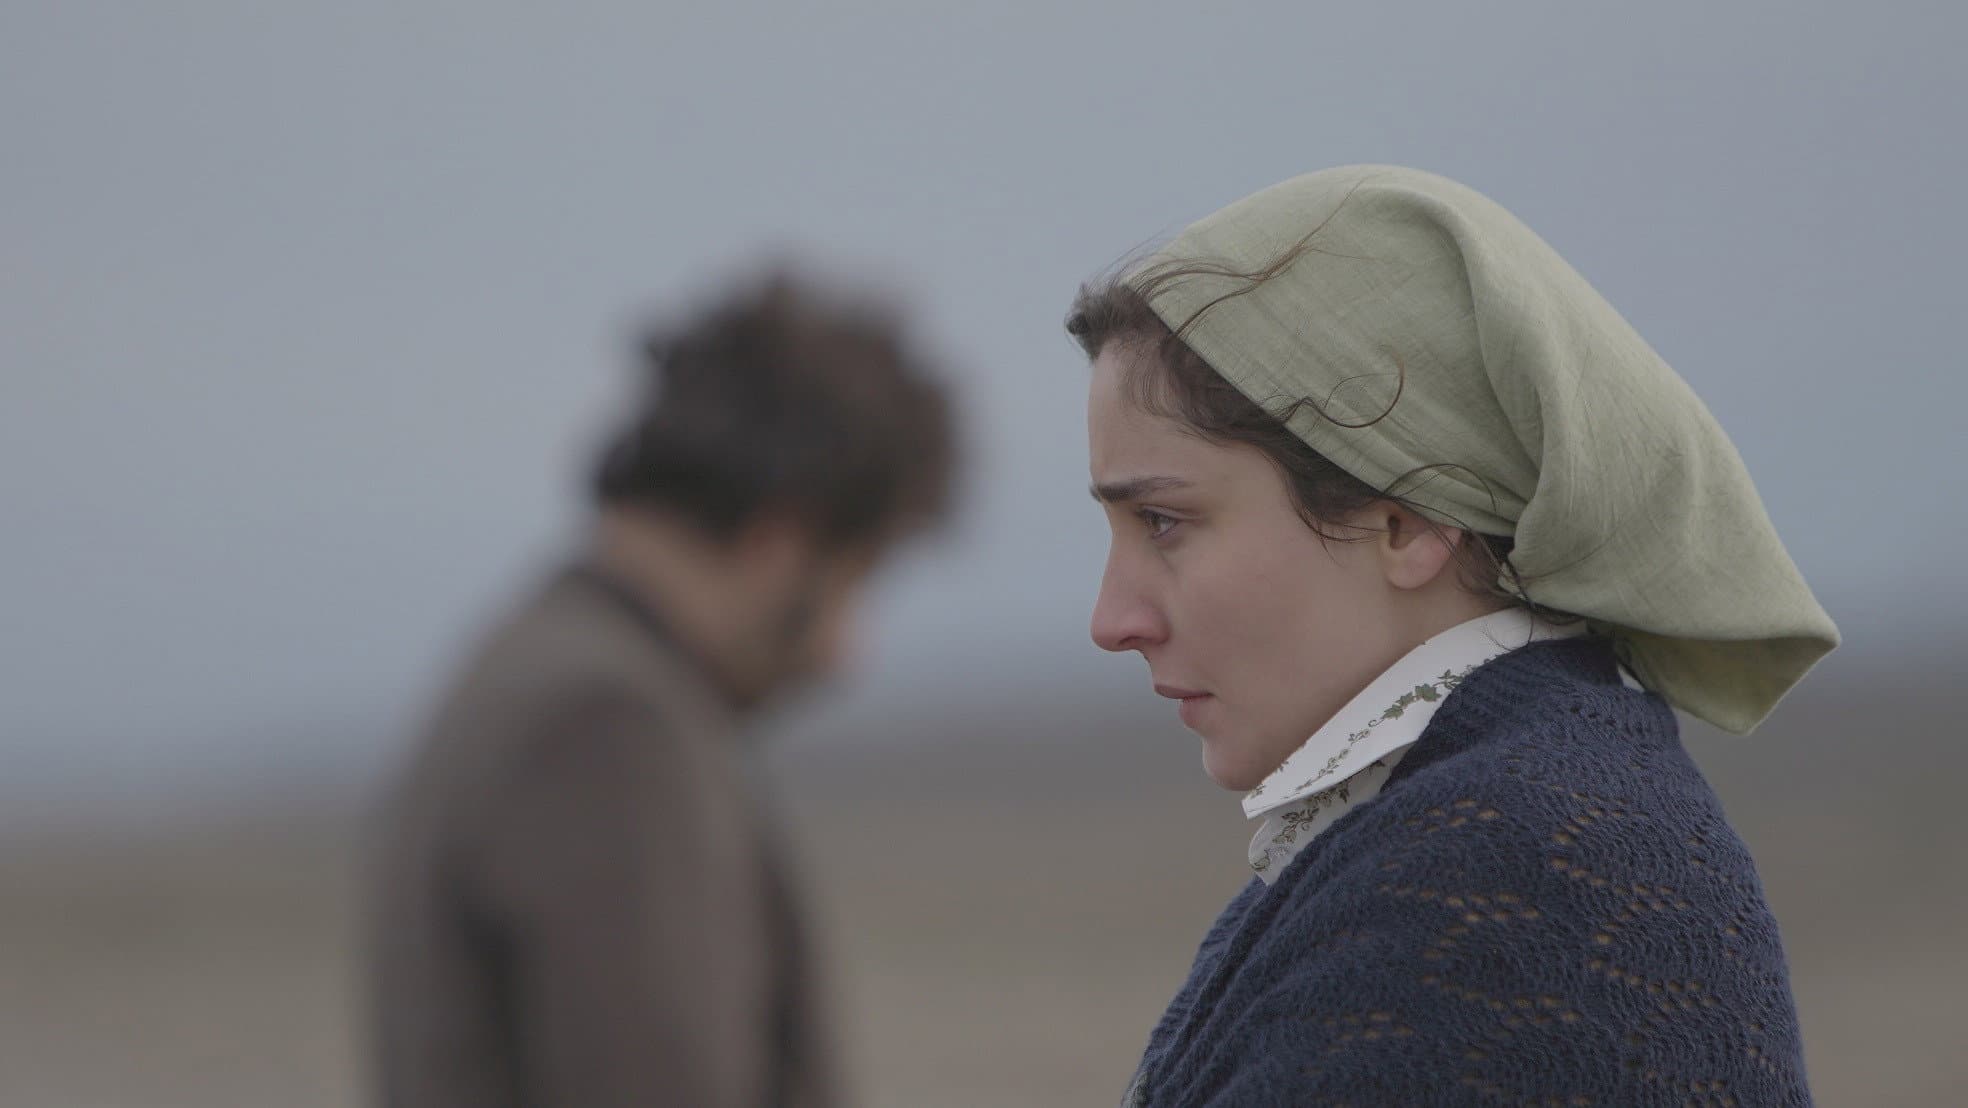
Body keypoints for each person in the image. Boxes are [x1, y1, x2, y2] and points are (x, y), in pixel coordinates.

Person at [1069, 166, 1837, 1106]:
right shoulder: (1467, 819)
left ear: (1409, 522)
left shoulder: (1506, 873)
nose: (1114, 620)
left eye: (1163, 522)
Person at [368, 273, 956, 1108]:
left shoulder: (533, 665)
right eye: (854, 585)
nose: (844, 656)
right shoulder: (609, 730)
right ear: (780, 547)